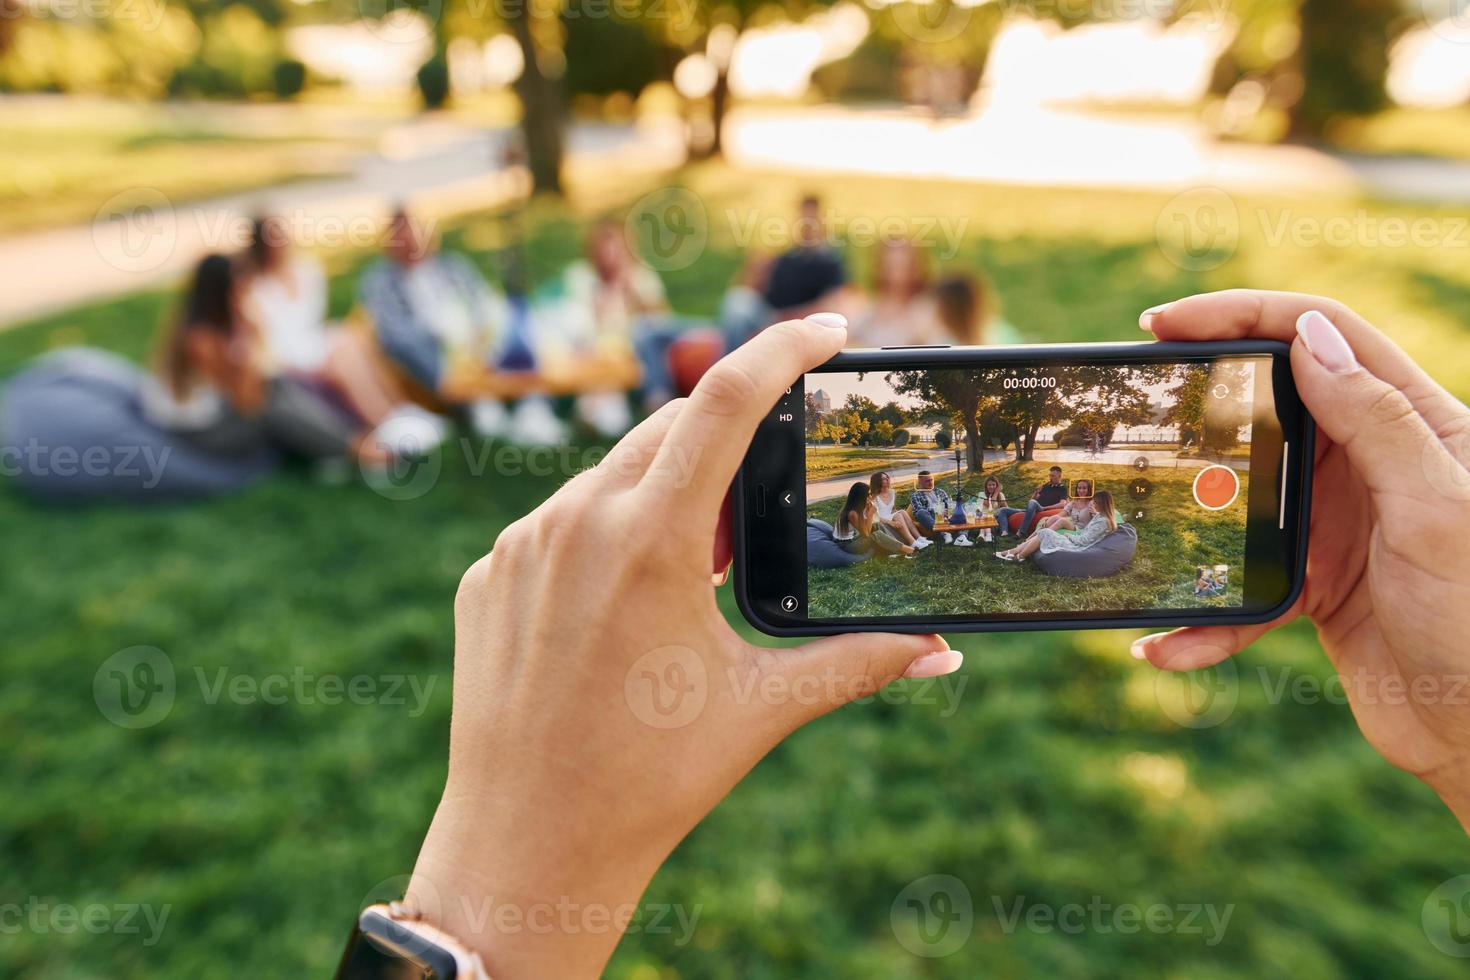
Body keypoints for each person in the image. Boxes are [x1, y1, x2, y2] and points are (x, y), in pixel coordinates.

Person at [371, 298, 1470, 978]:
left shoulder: (1037, 506)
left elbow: (1008, 522)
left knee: (996, 540)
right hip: (973, 535)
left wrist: (490, 886)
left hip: (995, 535)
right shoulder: (946, 506)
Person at [142, 254, 396, 471]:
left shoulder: (209, 326)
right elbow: (247, 400)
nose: (245, 296)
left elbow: (263, 375)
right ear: (221, 293)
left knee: (279, 383)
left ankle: (345, 442)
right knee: (272, 408)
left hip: (219, 414)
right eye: (239, 289)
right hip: (200, 433)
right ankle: (355, 451)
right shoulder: (202, 340)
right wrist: (251, 335)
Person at [359, 208, 566, 445]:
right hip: (433, 355)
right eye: (402, 239)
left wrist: (478, 330)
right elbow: (393, 333)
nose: (411, 244)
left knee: (517, 328)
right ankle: (486, 411)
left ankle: (534, 406)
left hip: (478, 343)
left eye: (415, 235)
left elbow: (482, 299)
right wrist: (438, 335)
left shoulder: (453, 266)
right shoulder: (379, 281)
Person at [241, 214, 445, 440]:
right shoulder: (255, 287)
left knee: (357, 341)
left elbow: (311, 321)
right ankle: (383, 422)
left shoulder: (306, 270)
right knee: (343, 356)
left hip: (311, 342)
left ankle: (398, 410)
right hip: (287, 355)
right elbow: (265, 342)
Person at [997, 491, 1117, 562]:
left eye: (1096, 502)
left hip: (1077, 546)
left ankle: (1018, 556)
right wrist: (1095, 514)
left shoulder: (1103, 521)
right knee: (1045, 532)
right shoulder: (1100, 516)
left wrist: (1068, 536)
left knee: (1045, 533)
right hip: (1077, 540)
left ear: (1103, 504)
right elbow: (1090, 529)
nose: (1093, 504)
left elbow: (1084, 541)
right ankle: (1014, 553)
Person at [832, 479, 915, 558]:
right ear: (860, 497)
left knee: (877, 525)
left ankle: (897, 548)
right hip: (847, 545)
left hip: (855, 538)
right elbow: (866, 534)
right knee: (876, 535)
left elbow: (871, 524)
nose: (870, 497)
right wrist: (870, 514)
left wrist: (869, 513)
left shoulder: (857, 508)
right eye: (867, 495)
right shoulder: (852, 513)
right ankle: (909, 550)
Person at [994, 465, 1069, 538]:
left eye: (1053, 476)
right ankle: (1004, 532)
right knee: (1003, 510)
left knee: (1033, 502)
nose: (1050, 478)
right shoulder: (1046, 486)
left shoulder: (1062, 489)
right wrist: (1036, 492)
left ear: (1059, 476)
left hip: (1043, 509)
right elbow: (1031, 501)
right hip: (1033, 509)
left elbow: (1062, 504)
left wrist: (1045, 507)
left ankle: (1022, 531)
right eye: (1050, 475)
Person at [869, 471, 930, 549]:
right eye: (884, 479)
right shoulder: (873, 496)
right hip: (881, 519)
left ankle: (919, 538)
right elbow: (875, 517)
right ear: (878, 481)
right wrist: (891, 522)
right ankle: (912, 543)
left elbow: (893, 509)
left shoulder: (893, 492)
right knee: (898, 514)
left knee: (902, 512)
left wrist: (899, 517)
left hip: (889, 516)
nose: (887, 479)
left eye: (888, 477)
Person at [908, 469, 954, 535]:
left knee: (960, 508)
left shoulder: (940, 491)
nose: (930, 483)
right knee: (920, 513)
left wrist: (949, 510)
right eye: (927, 481)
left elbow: (949, 504)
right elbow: (919, 510)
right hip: (930, 517)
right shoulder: (915, 495)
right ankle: (943, 533)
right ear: (920, 483)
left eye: (931, 480)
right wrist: (938, 511)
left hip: (945, 515)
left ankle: (962, 535)